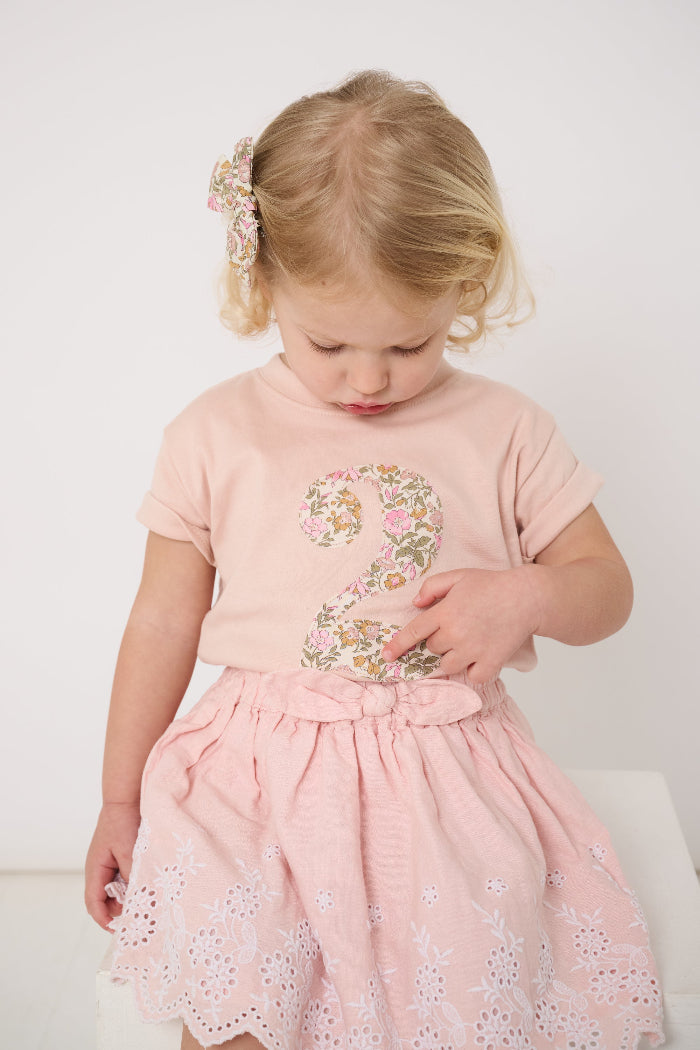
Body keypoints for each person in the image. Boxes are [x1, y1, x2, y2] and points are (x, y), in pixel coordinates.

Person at [85, 70, 665, 1050]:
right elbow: (162, 619)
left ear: (464, 287)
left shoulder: (504, 430)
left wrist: (526, 594)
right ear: (262, 280)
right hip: (254, 780)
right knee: (240, 1005)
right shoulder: (216, 432)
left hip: (443, 779)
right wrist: (118, 794)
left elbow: (606, 590)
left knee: (463, 1002)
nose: (366, 379)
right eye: (329, 342)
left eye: (408, 344)